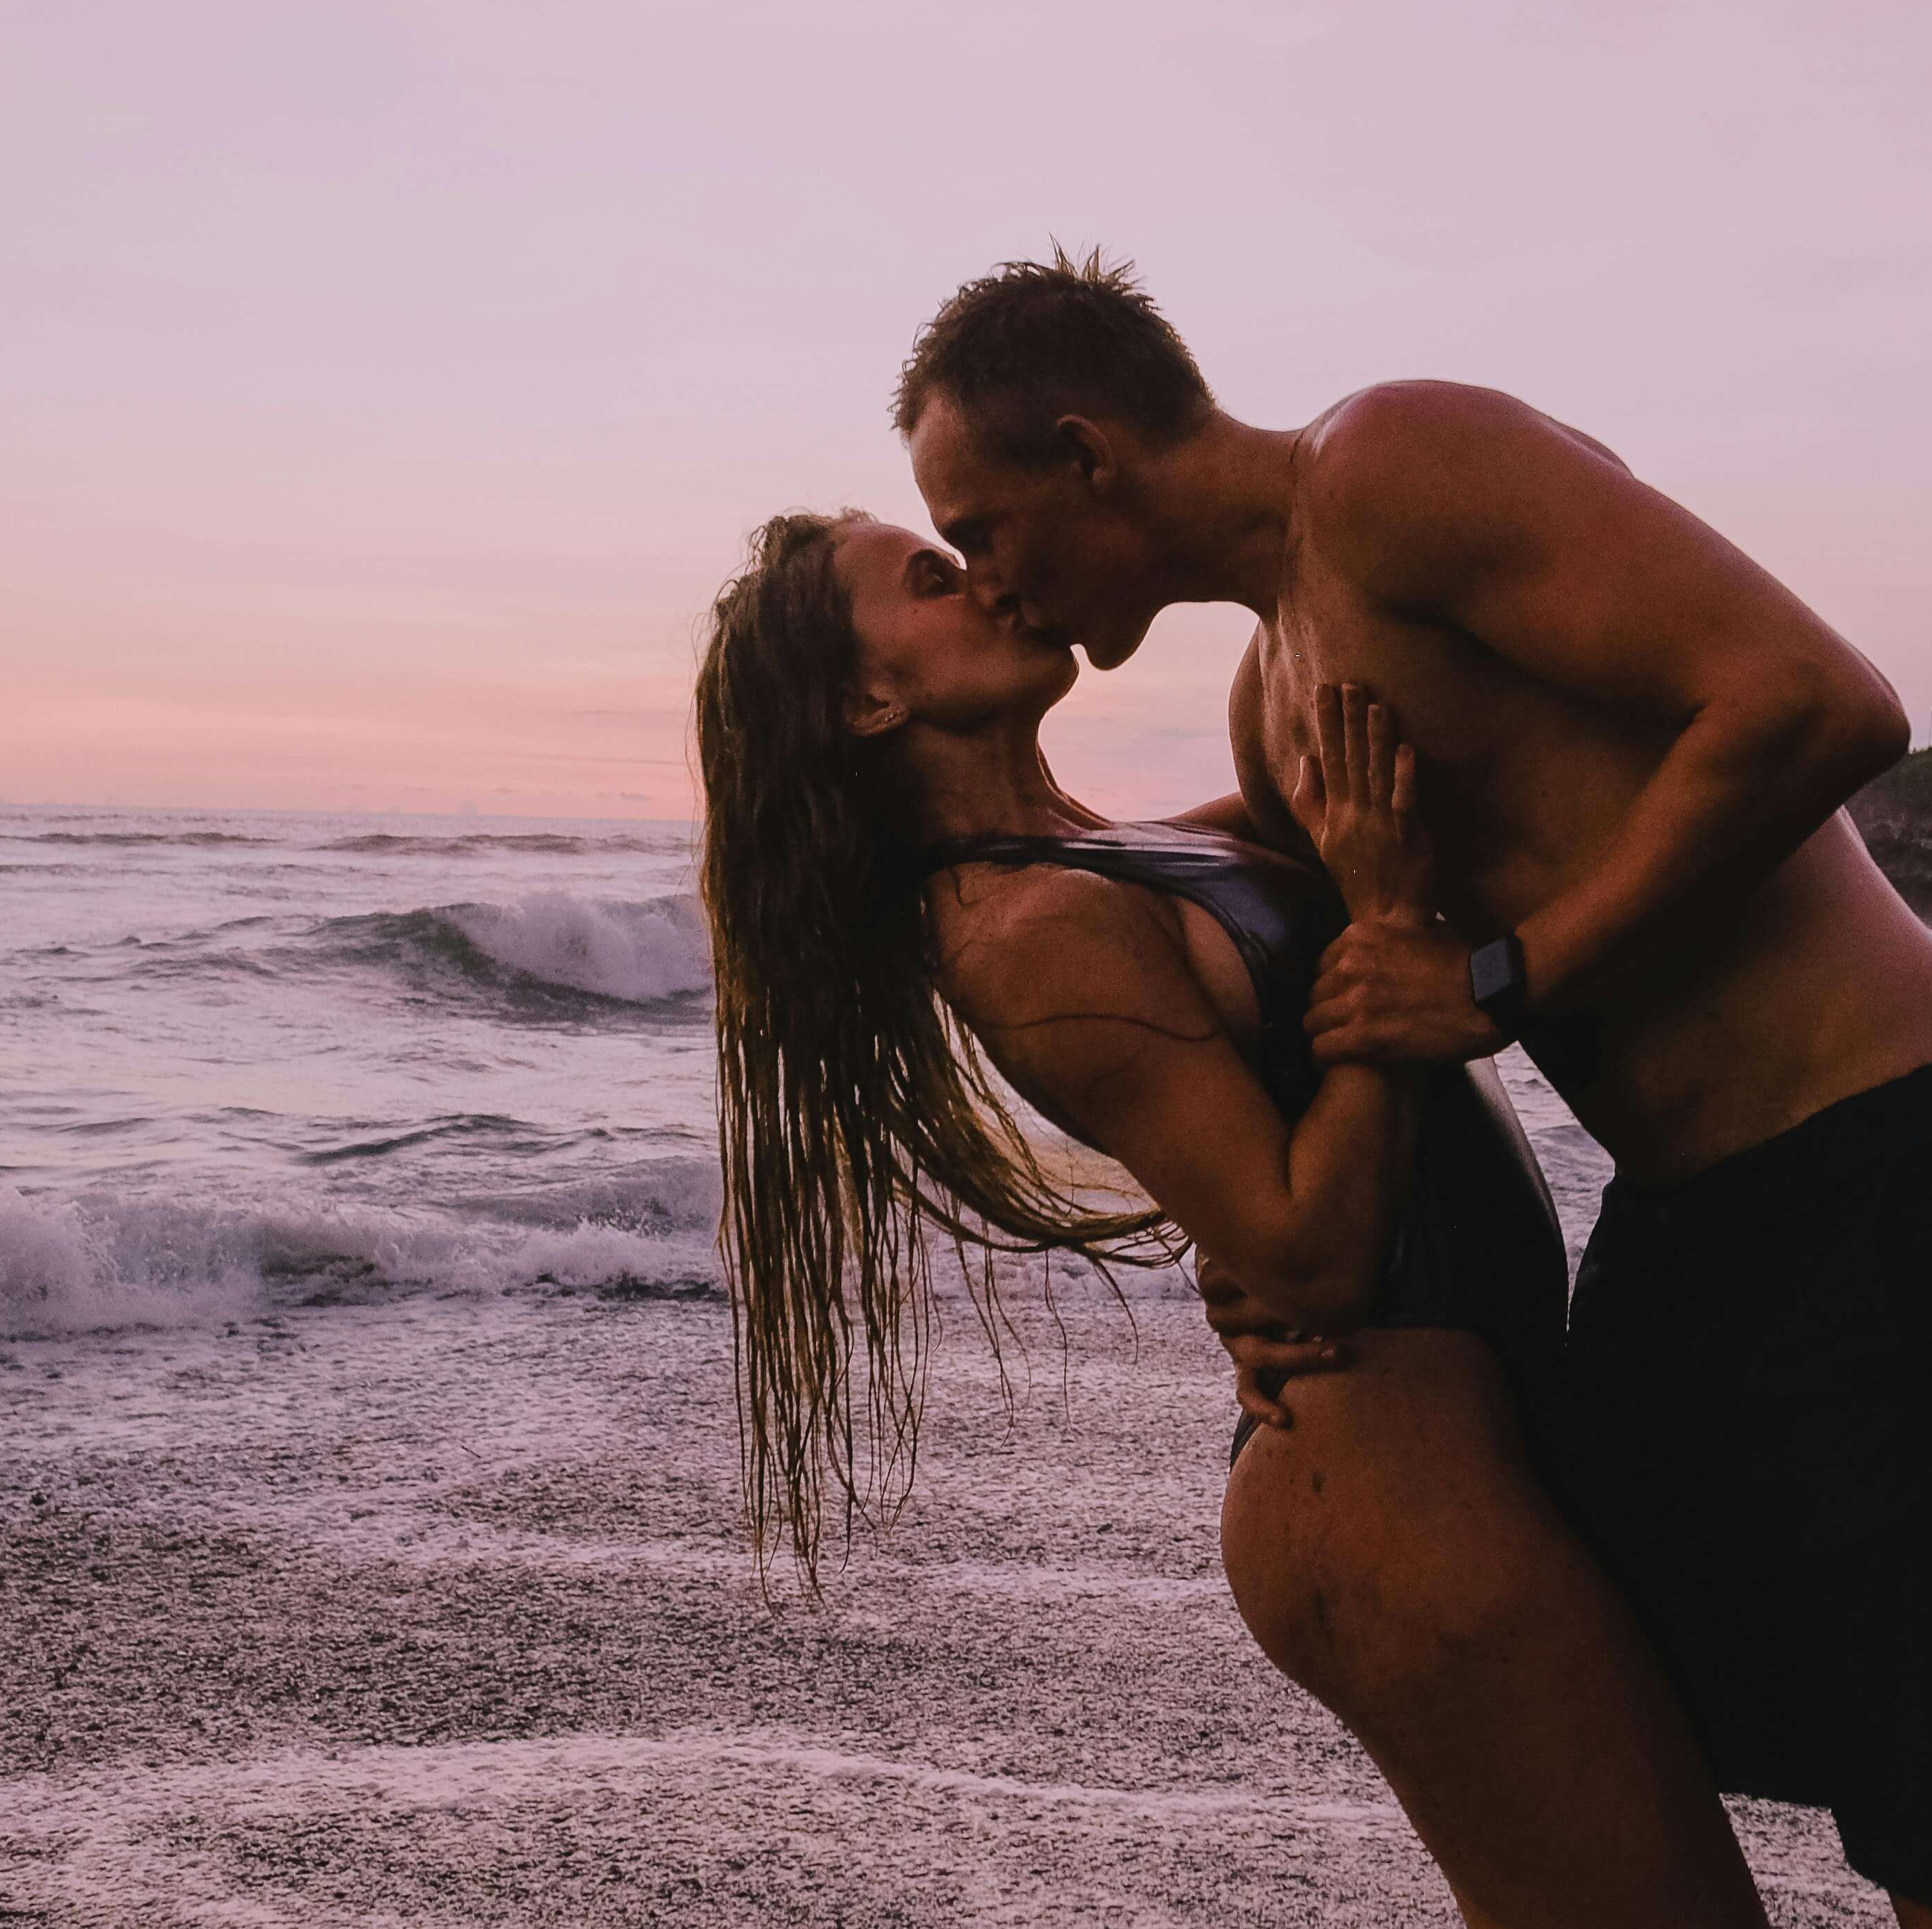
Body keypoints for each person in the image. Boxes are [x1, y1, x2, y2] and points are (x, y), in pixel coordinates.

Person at [896, 255, 1932, 1929]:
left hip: (1880, 1181)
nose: (990, 580)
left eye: (978, 528)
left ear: (1085, 453)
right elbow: (1195, 912)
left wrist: (1500, 980)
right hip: (1684, 1242)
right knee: (1662, 1781)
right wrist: (1247, 1236)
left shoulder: (1395, 465)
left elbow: (1818, 700)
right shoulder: (1277, 698)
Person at [692, 508, 1772, 1928]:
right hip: (1379, 1485)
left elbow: (1318, 915)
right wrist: (1383, 926)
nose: (993, 584)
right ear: (869, 695)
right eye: (935, 579)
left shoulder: (1107, 851)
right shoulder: (1024, 932)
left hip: (1447, 1439)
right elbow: (1310, 1252)